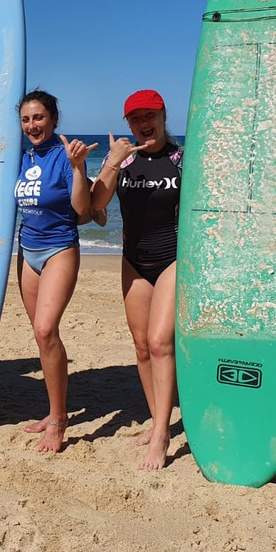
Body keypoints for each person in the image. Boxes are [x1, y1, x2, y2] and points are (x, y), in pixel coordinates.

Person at [90, 89, 182, 470]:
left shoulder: (184, 160)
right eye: (135, 118)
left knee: (161, 342)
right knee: (142, 345)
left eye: (150, 115)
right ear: (127, 123)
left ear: (163, 115)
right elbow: (95, 206)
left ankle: (161, 433)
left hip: (175, 259)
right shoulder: (124, 162)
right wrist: (112, 162)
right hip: (134, 262)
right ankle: (158, 417)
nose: (143, 123)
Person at [14, 90, 98, 453]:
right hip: (26, 249)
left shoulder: (65, 158)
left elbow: (83, 211)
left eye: (39, 118)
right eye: (26, 119)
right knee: (42, 336)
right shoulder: (19, 156)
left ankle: (60, 420)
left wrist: (79, 167)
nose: (32, 125)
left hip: (59, 248)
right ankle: (53, 410)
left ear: (54, 119)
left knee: (46, 330)